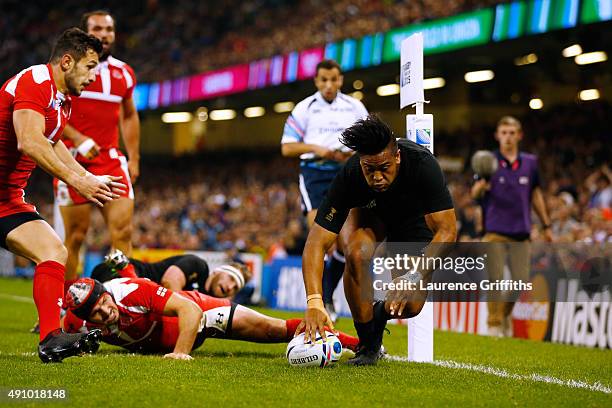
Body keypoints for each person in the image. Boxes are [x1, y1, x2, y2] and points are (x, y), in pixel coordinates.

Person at [0, 27, 126, 362]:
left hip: (7, 199)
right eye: (90, 67)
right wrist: (76, 180)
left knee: (54, 251)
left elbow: (54, 141)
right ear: (67, 62)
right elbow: (30, 139)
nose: (93, 76)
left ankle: (50, 339)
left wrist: (87, 176)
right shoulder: (35, 82)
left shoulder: (63, 102)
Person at [297, 115, 457, 365]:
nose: (377, 177)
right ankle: (368, 345)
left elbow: (447, 232)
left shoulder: (423, 164)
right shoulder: (350, 174)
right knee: (357, 252)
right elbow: (316, 242)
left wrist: (413, 276)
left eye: (384, 168)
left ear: (398, 157)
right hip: (371, 214)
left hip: (411, 220)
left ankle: (377, 315)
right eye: (369, 169)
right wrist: (315, 303)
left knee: (411, 306)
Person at [62, 277, 360, 360]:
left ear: (105, 293)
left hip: (201, 312)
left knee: (274, 330)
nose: (104, 312)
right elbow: (62, 334)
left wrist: (179, 353)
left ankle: (357, 344)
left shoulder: (132, 291)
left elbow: (188, 312)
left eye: (102, 303)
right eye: (96, 314)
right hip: (162, 338)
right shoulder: (76, 322)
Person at [54, 10, 140, 290]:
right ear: (85, 33)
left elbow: (129, 116)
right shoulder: (68, 68)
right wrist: (78, 138)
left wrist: (134, 157)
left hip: (111, 159)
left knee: (123, 231)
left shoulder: (124, 73)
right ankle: (67, 305)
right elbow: (49, 108)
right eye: (98, 29)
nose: (104, 34)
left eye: (109, 29)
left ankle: (121, 300)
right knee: (76, 235)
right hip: (71, 159)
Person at [280, 59, 368, 321]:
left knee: (345, 242)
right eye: (323, 80)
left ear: (340, 80)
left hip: (346, 173)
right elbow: (287, 147)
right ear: (317, 81)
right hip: (315, 174)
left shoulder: (355, 106)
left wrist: (352, 151)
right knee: (321, 238)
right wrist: (318, 149)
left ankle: (327, 297)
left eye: (333, 80)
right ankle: (319, 302)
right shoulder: (304, 108)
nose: (329, 85)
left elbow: (370, 141)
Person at [471, 116, 553, 337]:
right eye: (503, 132)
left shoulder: (530, 163)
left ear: (519, 135)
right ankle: (494, 325)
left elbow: (535, 194)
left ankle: (505, 314)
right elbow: (474, 194)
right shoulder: (488, 161)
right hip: (494, 231)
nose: (507, 137)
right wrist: (482, 185)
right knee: (495, 279)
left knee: (520, 283)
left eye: (511, 132)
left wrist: (546, 224)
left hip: (521, 231)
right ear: (497, 135)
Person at [90, 249, 252, 298]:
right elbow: (169, 282)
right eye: (231, 278)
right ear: (218, 271)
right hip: (116, 273)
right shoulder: (198, 266)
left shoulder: (209, 300)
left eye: (235, 287)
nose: (230, 286)